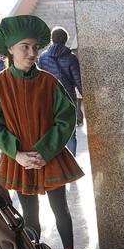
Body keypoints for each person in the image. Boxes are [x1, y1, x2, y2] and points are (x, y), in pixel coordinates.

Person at [0, 15, 85, 249]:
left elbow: (66, 116)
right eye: (25, 46)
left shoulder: (49, 81)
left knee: (61, 209)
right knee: (29, 213)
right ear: (10, 49)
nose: (32, 52)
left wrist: (45, 150)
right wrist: (17, 153)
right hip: (19, 159)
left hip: (51, 156)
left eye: (35, 47)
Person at [39, 26, 83, 156]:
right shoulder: (71, 58)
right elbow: (78, 81)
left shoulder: (43, 57)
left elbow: (40, 79)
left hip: (49, 99)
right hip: (68, 98)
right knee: (70, 132)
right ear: (66, 40)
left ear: (52, 39)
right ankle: (71, 164)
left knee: (53, 131)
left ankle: (58, 164)